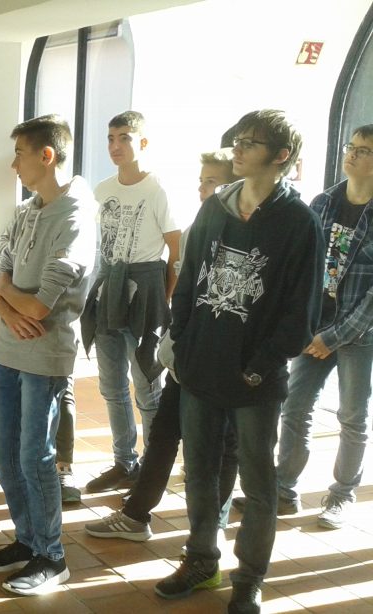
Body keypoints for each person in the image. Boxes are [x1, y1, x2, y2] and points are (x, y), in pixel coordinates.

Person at [156, 110, 322, 614]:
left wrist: (258, 366)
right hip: (200, 370)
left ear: (281, 156)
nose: (239, 150)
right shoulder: (215, 209)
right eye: (238, 141)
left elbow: (302, 313)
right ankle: (201, 559)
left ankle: (249, 578)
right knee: (200, 473)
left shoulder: (299, 222)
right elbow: (187, 282)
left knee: (258, 483)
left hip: (255, 381)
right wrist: (183, 343)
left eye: (252, 142)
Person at [87, 149, 239, 542]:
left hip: (228, 361)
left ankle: (210, 535)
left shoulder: (253, 235)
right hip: (187, 354)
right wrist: (177, 336)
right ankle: (135, 514)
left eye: (211, 182)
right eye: (201, 181)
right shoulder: (197, 230)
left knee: (219, 446)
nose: (202, 189)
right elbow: (185, 292)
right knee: (164, 433)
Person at [0, 114, 96, 595]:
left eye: (19, 155)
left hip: (45, 356)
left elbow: (41, 306)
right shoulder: (27, 210)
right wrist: (7, 304)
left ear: (47, 156)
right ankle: (27, 541)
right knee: (3, 453)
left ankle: (52, 555)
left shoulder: (76, 217)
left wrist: (7, 293)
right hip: (9, 349)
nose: (14, 165)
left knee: (35, 457)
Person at [265, 124, 373, 530]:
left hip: (359, 334)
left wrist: (335, 336)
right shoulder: (324, 202)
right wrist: (307, 324)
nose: (352, 155)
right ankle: (283, 489)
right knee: (295, 407)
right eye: (351, 147)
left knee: (353, 417)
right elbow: (304, 265)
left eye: (364, 150)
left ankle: (342, 495)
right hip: (315, 327)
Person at [82, 111, 180, 494]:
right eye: (111, 138)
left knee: (147, 386)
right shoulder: (102, 189)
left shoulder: (157, 190)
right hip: (108, 288)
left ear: (142, 142)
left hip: (145, 290)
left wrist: (162, 300)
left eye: (124, 137)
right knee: (111, 385)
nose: (115, 146)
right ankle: (124, 461)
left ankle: (152, 470)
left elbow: (176, 252)